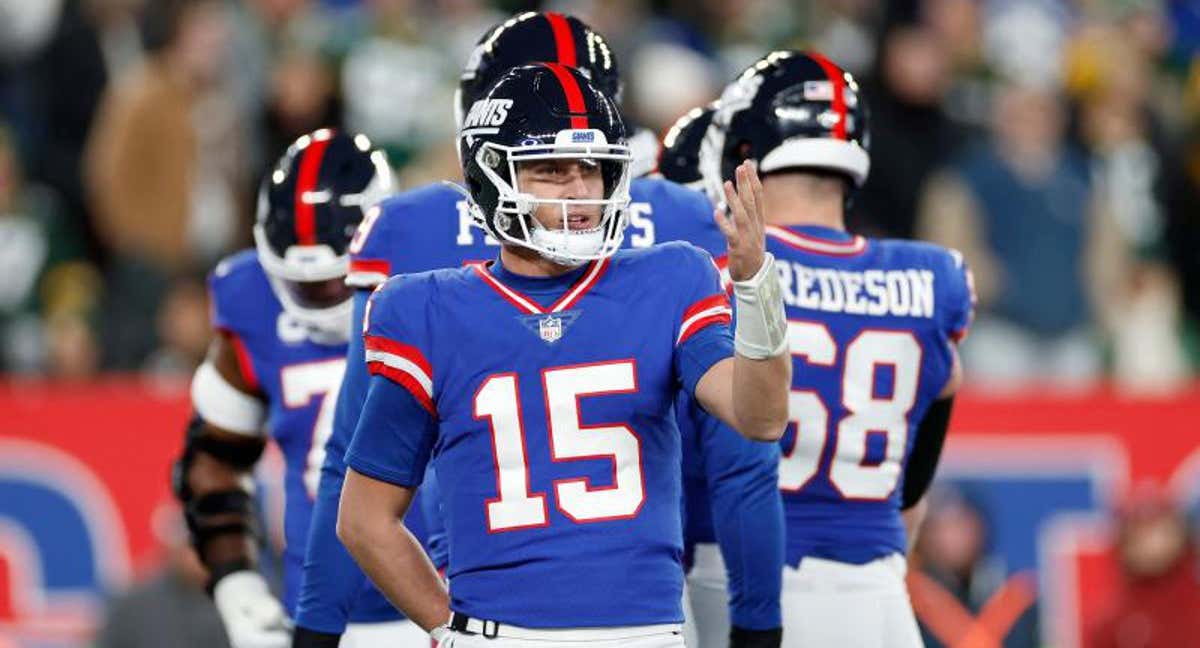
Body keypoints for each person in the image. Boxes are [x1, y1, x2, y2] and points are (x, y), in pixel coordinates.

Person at [293, 13, 784, 648]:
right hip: (499, 628)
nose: (579, 191)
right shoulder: (426, 307)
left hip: (649, 628)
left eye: (591, 168)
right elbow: (362, 517)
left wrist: (756, 289)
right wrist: (449, 629)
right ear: (493, 176)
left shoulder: (671, 277)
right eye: (553, 169)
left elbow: (761, 420)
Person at [704, 50, 972, 647]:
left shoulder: (717, 269)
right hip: (876, 595)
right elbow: (943, 390)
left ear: (744, 148)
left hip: (749, 588)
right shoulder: (932, 281)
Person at [172, 129, 426, 648]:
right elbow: (213, 460)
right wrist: (238, 587)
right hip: (318, 618)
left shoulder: (442, 283)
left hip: (448, 604)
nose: (323, 296)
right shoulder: (250, 300)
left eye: (336, 281)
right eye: (303, 285)